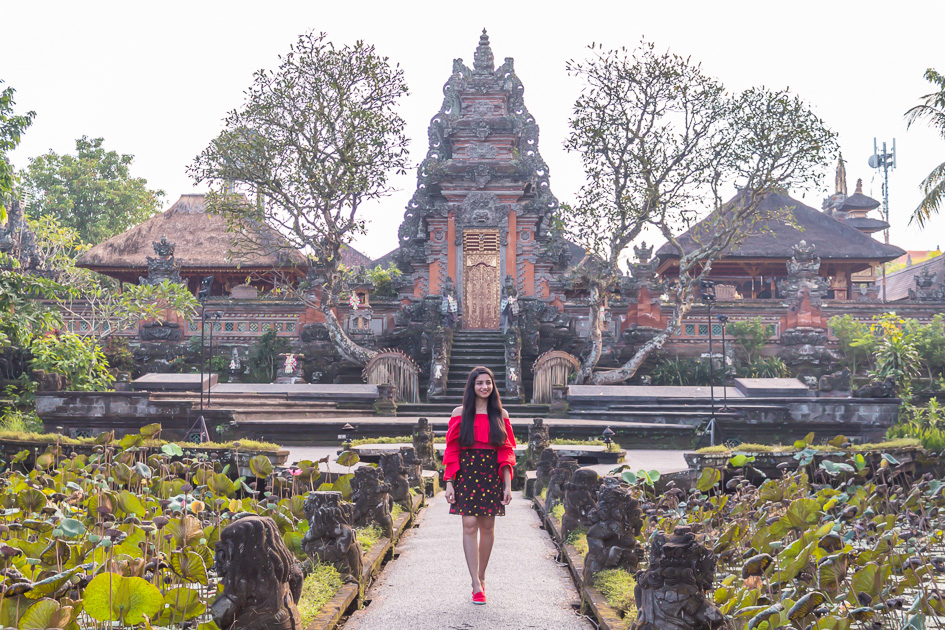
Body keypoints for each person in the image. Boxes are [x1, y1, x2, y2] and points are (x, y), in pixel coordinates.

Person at [443, 366, 516, 605]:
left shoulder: (501, 415)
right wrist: (449, 482)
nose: (484, 387)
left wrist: (507, 485)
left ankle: (482, 575)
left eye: (488, 383)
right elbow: (452, 449)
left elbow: (505, 452)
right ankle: (475, 583)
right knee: (469, 523)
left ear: (493, 386)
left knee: (486, 526)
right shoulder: (459, 413)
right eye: (479, 383)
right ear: (472, 387)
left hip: (490, 474)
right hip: (466, 473)